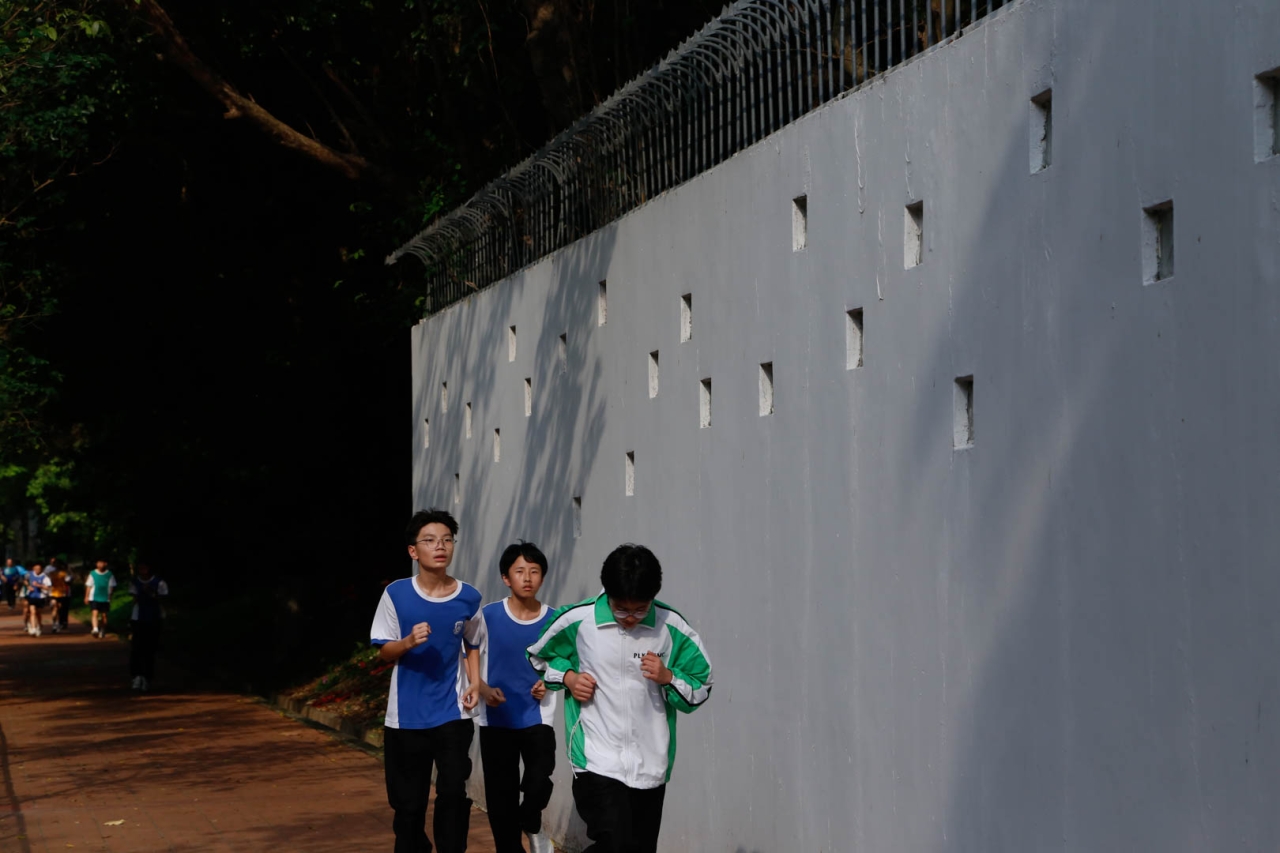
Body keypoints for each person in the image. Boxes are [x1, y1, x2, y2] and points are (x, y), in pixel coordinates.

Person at [527, 544, 713, 853]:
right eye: (621, 609)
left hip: (651, 763)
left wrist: (669, 677)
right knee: (614, 843)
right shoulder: (578, 620)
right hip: (595, 759)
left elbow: (702, 684)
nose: (630, 618)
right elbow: (538, 656)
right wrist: (569, 678)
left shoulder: (672, 626)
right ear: (608, 594)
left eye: (640, 610)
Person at [370, 508, 483, 853]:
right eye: (430, 540)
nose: (440, 546)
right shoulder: (396, 594)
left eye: (447, 540)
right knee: (408, 804)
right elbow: (383, 651)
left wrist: (475, 683)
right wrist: (407, 642)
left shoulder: (469, 596)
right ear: (413, 551)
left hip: (452, 713)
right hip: (406, 717)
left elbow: (473, 643)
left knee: (453, 791)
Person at [470, 542, 559, 853]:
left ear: (543, 577)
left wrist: (548, 682)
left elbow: (567, 662)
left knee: (538, 781)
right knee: (500, 796)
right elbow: (465, 657)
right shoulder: (488, 616)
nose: (527, 578)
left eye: (534, 571)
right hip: (496, 717)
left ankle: (531, 821)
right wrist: (482, 689)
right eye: (520, 571)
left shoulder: (555, 619)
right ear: (506, 578)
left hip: (538, 715)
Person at [128, 563, 168, 691]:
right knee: (136, 648)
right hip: (138, 618)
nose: (143, 571)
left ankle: (147, 677)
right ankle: (136, 676)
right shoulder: (135, 582)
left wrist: (152, 593)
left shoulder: (159, 583)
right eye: (141, 568)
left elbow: (163, 600)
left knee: (150, 649)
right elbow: (134, 599)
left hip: (154, 618)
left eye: (145, 568)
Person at [85, 559, 116, 638]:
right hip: (94, 597)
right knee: (94, 613)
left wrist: (110, 596)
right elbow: (89, 586)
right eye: (98, 563)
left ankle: (102, 629)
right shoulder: (92, 573)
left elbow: (112, 586)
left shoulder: (109, 574)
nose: (99, 564)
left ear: (105, 564)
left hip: (105, 598)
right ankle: (95, 629)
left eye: (101, 563)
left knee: (104, 615)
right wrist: (86, 596)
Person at [23, 562, 52, 637]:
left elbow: (48, 587)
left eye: (38, 569)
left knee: (38, 613)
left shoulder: (45, 577)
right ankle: (33, 628)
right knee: (32, 611)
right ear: (33, 568)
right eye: (35, 569)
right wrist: (28, 586)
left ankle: (39, 624)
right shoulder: (29, 574)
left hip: (41, 597)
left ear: (41, 569)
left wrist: (39, 585)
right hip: (31, 596)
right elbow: (25, 580)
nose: (37, 570)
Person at [47, 558, 72, 633]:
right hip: (53, 592)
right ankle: (54, 624)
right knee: (54, 607)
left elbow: (68, 580)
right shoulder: (51, 573)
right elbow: (47, 582)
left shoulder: (64, 573)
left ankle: (58, 623)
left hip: (62, 593)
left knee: (59, 608)